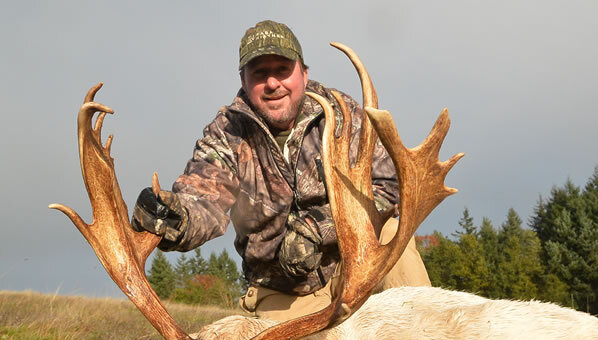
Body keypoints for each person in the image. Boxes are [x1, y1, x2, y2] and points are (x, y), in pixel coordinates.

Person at [131, 20, 430, 320]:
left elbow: (387, 186)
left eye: (283, 70)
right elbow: (204, 199)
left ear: (304, 73)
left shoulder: (341, 113)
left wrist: (319, 229)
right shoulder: (227, 133)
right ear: (244, 80)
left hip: (353, 264)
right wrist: (177, 219)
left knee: (392, 235)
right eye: (260, 73)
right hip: (283, 293)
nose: (273, 83)